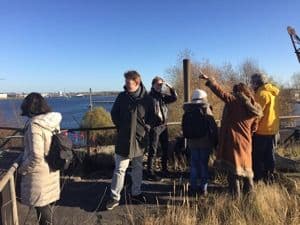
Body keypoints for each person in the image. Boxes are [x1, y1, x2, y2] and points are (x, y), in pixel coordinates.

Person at [199, 73, 263, 197]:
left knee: (234, 173)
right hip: (246, 143)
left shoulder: (234, 102)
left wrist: (210, 79)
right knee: (247, 172)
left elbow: (221, 93)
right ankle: (250, 199)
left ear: (237, 93)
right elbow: (254, 128)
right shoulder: (255, 107)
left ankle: (235, 200)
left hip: (233, 142)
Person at [106, 70, 153, 210]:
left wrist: (146, 128)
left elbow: (152, 116)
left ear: (136, 82)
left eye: (128, 82)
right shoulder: (122, 97)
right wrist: (122, 128)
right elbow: (114, 114)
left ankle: (136, 193)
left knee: (138, 168)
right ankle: (114, 198)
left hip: (140, 140)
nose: (125, 85)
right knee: (120, 169)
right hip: (124, 140)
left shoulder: (147, 98)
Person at [18, 93, 62, 225]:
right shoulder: (50, 122)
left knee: (42, 209)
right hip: (52, 167)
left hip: (39, 174)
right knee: (47, 206)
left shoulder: (34, 125)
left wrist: (23, 169)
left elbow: (36, 155)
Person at [182, 89, 218, 195]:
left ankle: (193, 187)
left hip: (192, 142)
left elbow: (184, 127)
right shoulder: (205, 109)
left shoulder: (188, 110)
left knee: (193, 165)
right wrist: (215, 141)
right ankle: (203, 188)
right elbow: (213, 127)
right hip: (204, 142)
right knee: (203, 165)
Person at [250, 73, 280, 182]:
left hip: (261, 132)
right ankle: (270, 179)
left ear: (257, 83)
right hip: (273, 130)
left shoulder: (261, 94)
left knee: (257, 158)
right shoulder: (273, 93)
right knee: (270, 157)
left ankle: (258, 179)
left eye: (252, 82)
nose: (251, 85)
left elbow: (256, 114)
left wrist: (251, 128)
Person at [146, 76, 177, 180]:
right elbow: (144, 112)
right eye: (158, 84)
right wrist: (148, 124)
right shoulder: (149, 97)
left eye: (161, 84)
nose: (160, 86)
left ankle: (164, 169)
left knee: (165, 148)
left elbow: (174, 98)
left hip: (164, 126)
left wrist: (170, 87)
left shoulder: (162, 96)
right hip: (154, 127)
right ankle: (150, 172)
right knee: (153, 150)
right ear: (153, 84)